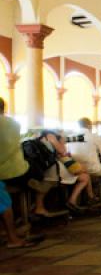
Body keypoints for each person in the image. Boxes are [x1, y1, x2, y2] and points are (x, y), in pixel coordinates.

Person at [0, 97, 45, 247]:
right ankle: (14, 233)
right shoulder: (13, 123)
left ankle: (13, 233)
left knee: (5, 199)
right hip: (16, 171)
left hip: (5, 173)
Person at [68, 118, 101, 217]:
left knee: (86, 175)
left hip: (76, 169)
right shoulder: (94, 137)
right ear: (89, 125)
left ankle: (90, 197)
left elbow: (67, 154)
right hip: (94, 169)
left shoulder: (70, 137)